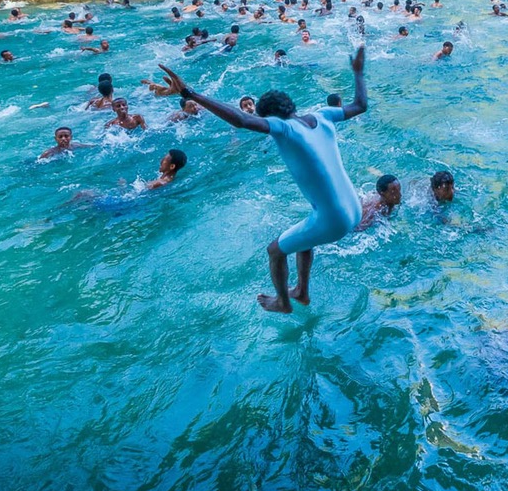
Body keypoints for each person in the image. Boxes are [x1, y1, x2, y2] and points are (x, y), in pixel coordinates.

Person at [151, 47, 368, 314]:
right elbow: (360, 105)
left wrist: (189, 94)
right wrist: (358, 72)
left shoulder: (283, 128)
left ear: (270, 117)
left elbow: (241, 120)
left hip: (333, 220)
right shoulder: (323, 115)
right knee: (304, 237)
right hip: (354, 208)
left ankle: (283, 301)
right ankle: (301, 290)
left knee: (275, 252)